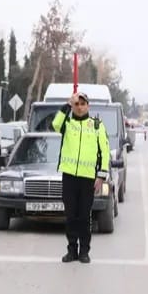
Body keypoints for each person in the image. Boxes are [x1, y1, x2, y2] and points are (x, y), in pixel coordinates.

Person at [52, 91, 110, 264]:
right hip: (69, 177)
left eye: (82, 103)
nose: (79, 107)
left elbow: (104, 152)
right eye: (77, 104)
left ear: (88, 106)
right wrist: (67, 105)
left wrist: (101, 176)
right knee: (70, 216)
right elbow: (55, 125)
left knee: (84, 216)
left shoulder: (97, 126)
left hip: (88, 179)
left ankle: (84, 251)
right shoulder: (67, 123)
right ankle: (71, 250)